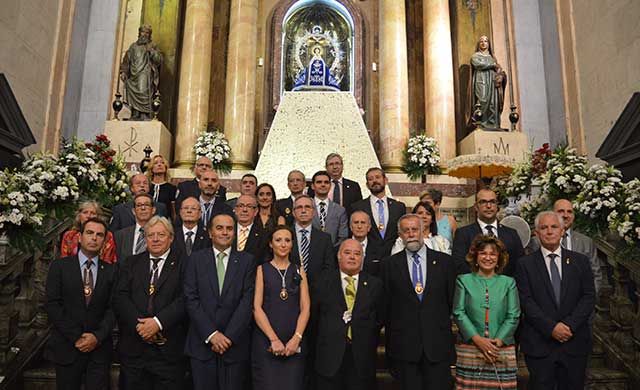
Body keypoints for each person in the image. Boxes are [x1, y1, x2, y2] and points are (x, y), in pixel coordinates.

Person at [515, 211, 595, 389]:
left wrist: (569, 325)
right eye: (544, 227)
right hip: (540, 345)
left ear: (562, 231)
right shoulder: (524, 264)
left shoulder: (580, 261)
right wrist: (551, 327)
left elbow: (589, 297)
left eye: (554, 227)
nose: (549, 231)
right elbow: (525, 300)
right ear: (536, 233)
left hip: (574, 343)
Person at [381, 214, 457, 389]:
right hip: (404, 348)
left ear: (423, 231)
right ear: (400, 235)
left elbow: (451, 300)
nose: (411, 234)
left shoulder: (445, 263)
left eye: (415, 229)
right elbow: (385, 306)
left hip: (437, 346)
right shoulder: (389, 265)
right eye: (406, 231)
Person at [183, 213, 256, 390]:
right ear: (210, 233)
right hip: (202, 345)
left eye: (229, 228)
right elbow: (190, 298)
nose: (225, 232)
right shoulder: (196, 259)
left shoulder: (247, 261)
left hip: (234, 347)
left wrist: (228, 337)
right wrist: (212, 334)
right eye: (219, 228)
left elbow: (247, 302)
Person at [113, 216, 186, 389]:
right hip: (134, 350)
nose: (155, 239)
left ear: (171, 237)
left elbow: (185, 298)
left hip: (168, 351)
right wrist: (143, 327)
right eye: (150, 235)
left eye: (161, 234)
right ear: (145, 239)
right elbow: (120, 297)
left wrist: (157, 323)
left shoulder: (185, 263)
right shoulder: (131, 262)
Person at [45, 217, 117, 390]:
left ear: (105, 240)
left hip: (99, 350)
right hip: (67, 347)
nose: (94, 238)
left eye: (100, 235)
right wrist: (77, 336)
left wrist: (96, 337)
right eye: (90, 233)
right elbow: (52, 304)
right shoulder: (60, 267)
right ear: (79, 237)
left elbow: (114, 308)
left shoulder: (112, 271)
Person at [313, 239, 384, 390]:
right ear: (338, 256)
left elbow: (379, 319)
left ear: (363, 258)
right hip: (329, 359)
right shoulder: (322, 282)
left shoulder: (375, 285)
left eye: (357, 253)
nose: (352, 257)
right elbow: (314, 319)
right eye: (347, 252)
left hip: (362, 359)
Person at [453, 235, 520, 389]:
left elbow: (514, 315)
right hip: (471, 348)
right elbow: (458, 312)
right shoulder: (463, 280)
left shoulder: (509, 282)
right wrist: (478, 340)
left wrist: (498, 341)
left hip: (500, 348)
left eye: (493, 254)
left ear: (499, 258)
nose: (487, 257)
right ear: (475, 257)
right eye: (483, 253)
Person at [252, 225, 311, 390]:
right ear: (271, 244)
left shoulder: (299, 270)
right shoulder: (261, 270)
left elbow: (305, 307)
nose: (283, 244)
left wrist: (296, 338)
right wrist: (274, 339)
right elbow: (256, 307)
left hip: (294, 344)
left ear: (292, 244)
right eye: (278, 240)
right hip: (267, 343)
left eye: (287, 240)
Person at [528, 199, 603, 294]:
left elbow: (596, 275)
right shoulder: (537, 241)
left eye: (569, 212)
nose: (566, 215)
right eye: (561, 211)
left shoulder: (586, 242)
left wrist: (588, 301)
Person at [452, 188, 524, 276]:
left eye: (492, 202)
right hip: (475, 286)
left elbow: (520, 265)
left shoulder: (512, 234)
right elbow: (459, 264)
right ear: (476, 206)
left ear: (497, 205)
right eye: (483, 202)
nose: (489, 206)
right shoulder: (463, 234)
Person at [351, 167, 406, 257]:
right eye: (370, 179)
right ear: (367, 185)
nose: (374, 181)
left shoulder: (399, 207)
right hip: (368, 258)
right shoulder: (358, 207)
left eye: (377, 177)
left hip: (393, 256)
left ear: (385, 180)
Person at [119, 24, 162, 121]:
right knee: (133, 92)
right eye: (143, 32)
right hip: (134, 75)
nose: (145, 35)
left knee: (143, 91)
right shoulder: (133, 46)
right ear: (139, 33)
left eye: (147, 33)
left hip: (145, 74)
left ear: (149, 35)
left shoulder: (152, 45)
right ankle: (135, 114)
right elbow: (126, 60)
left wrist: (151, 52)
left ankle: (144, 114)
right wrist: (124, 72)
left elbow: (158, 60)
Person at [291, 195, 335, 287]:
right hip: (289, 289)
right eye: (299, 207)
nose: (303, 210)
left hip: (318, 292)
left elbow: (329, 268)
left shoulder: (325, 238)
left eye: (307, 207)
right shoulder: (285, 236)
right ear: (293, 213)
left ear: (314, 212)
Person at [468, 35, 507, 129]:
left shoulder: (492, 57)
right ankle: (480, 122)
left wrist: (500, 75)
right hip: (481, 80)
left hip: (492, 82)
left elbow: (499, 69)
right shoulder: (475, 56)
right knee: (482, 100)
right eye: (481, 41)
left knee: (493, 103)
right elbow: (477, 64)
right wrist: (492, 64)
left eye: (486, 41)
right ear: (478, 44)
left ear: (488, 44)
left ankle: (492, 123)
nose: (483, 43)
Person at [114, 193, 156, 262]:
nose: (143, 208)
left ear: (153, 210)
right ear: (133, 211)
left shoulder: (161, 234)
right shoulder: (120, 235)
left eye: (147, 205)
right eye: (139, 205)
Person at [310, 170, 348, 245]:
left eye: (326, 182)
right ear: (312, 186)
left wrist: (331, 252)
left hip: (332, 253)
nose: (323, 185)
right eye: (319, 182)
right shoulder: (305, 207)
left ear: (330, 185)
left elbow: (343, 237)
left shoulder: (340, 210)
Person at [233, 194, 268, 264]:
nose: (244, 210)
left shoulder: (264, 235)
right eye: (241, 206)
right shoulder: (227, 230)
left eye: (249, 206)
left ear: (256, 211)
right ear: (235, 210)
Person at [349, 211, 385, 276]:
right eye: (356, 222)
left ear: (369, 227)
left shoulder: (380, 249)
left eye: (363, 223)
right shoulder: (340, 248)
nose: (359, 226)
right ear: (351, 227)